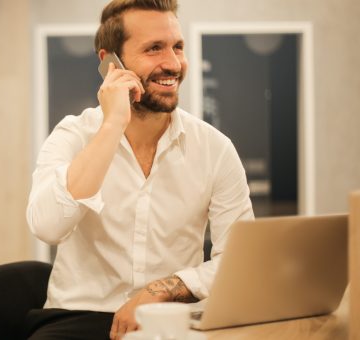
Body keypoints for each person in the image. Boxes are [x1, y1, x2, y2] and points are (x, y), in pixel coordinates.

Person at [26, 0, 254, 339]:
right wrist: (113, 124)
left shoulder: (215, 149)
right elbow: (47, 227)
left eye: (177, 46)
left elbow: (238, 261)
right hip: (77, 319)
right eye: (154, 49)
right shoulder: (74, 135)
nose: (173, 63)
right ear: (110, 63)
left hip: (171, 320)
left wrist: (161, 289)